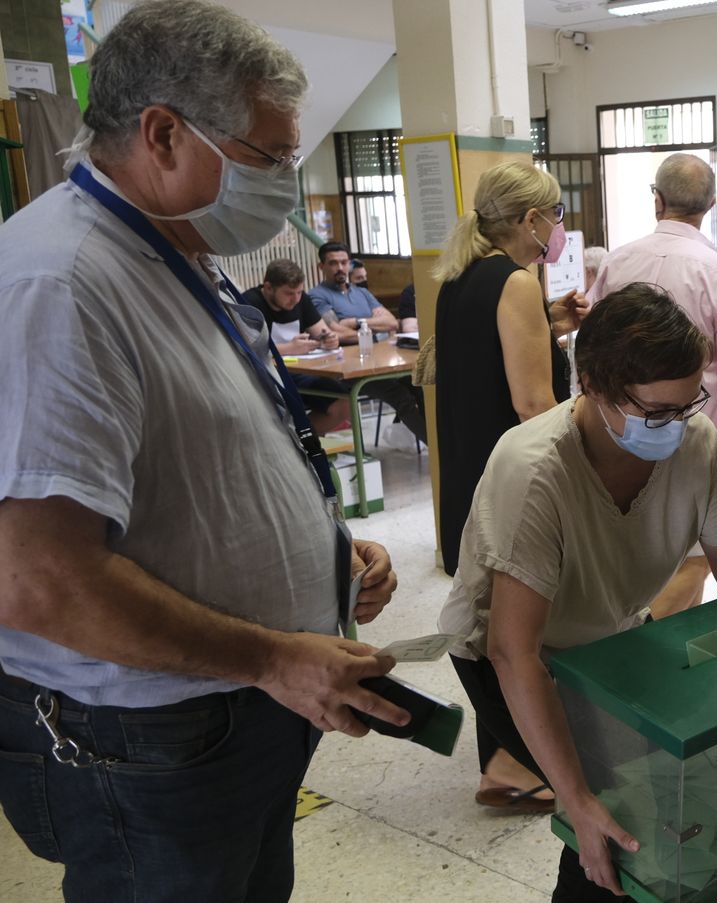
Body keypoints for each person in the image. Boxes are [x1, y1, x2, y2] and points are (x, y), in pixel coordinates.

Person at [0, 4, 407, 900]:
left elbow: (208, 457)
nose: (285, 184)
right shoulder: (61, 285)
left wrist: (329, 553)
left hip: (233, 711)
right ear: (163, 134)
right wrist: (272, 657)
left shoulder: (173, 252)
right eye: (269, 157)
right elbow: (37, 578)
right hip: (145, 742)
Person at [437, 284, 717, 900]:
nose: (675, 426)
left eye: (689, 403)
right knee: (611, 813)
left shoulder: (695, 445)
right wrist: (576, 798)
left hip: (612, 632)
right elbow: (514, 652)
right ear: (591, 384)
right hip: (507, 653)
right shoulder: (535, 469)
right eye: (656, 412)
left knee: (656, 785)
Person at [432, 161, 588, 811]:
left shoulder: (462, 275)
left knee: (491, 615)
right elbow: (533, 405)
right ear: (531, 219)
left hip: (468, 468)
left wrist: (550, 321)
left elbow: (484, 353)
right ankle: (524, 757)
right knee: (515, 631)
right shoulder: (517, 282)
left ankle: (502, 763)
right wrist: (578, 480)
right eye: (556, 214)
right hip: (511, 481)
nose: (560, 226)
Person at [589, 153, 717, 618]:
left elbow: (592, 345)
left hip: (619, 428)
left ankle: (665, 635)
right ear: (710, 204)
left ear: (657, 200)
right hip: (688, 431)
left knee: (640, 550)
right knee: (699, 555)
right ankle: (641, 639)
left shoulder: (617, 262)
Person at [308, 239, 427, 442]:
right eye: (333, 263)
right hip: (348, 369)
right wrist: (372, 329)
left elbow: (391, 322)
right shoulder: (317, 296)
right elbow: (335, 331)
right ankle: (439, 451)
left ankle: (442, 444)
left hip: (378, 361)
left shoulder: (361, 292)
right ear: (322, 267)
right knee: (400, 395)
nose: (340, 268)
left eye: (344, 262)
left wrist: (357, 322)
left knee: (421, 385)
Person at [240, 258, 348, 435]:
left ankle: (301, 441)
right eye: (289, 293)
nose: (295, 299)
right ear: (268, 288)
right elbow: (247, 348)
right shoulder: (250, 303)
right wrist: (290, 348)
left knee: (343, 402)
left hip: (301, 371)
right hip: (266, 375)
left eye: (299, 292)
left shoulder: (301, 299)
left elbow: (322, 331)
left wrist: (330, 340)